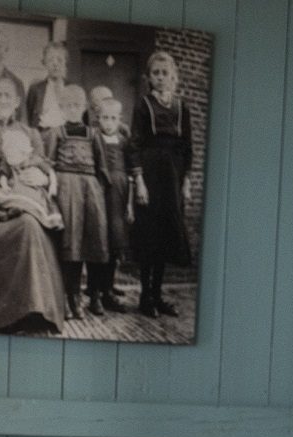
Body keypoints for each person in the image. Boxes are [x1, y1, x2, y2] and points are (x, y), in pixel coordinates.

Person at [0, 114, 69, 335]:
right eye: (8, 150)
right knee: (23, 227)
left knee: (30, 227)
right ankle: (9, 314)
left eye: (18, 150)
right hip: (0, 215)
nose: (13, 154)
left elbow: (48, 176)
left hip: (32, 217)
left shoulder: (35, 169)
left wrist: (47, 180)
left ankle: (37, 311)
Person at [130, 50, 195, 317]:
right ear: (149, 77)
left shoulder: (183, 108)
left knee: (167, 236)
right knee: (150, 237)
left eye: (165, 73)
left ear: (174, 78)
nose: (160, 78)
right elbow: (135, 144)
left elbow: (188, 146)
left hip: (173, 177)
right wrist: (139, 181)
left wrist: (186, 181)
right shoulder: (143, 105)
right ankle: (145, 296)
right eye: (155, 73)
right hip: (152, 176)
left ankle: (158, 294)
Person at [46, 85, 110, 318]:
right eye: (67, 106)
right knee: (69, 242)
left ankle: (88, 296)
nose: (72, 109)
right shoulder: (56, 132)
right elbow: (48, 163)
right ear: (61, 108)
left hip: (90, 191)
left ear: (83, 108)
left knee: (92, 240)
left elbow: (102, 167)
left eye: (76, 105)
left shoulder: (94, 134)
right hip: (66, 190)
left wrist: (99, 193)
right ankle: (68, 296)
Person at [89, 96, 136, 312]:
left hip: (119, 195)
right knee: (99, 242)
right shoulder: (94, 138)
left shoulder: (124, 142)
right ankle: (94, 294)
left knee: (114, 243)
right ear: (98, 119)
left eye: (113, 118)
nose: (108, 122)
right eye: (105, 118)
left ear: (119, 120)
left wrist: (129, 203)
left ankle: (108, 291)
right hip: (101, 192)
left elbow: (131, 171)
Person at [25, 41, 74, 132]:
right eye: (51, 59)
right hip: (42, 136)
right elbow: (28, 117)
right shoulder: (35, 89)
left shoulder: (72, 89)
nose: (55, 64)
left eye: (59, 60)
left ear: (65, 63)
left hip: (66, 136)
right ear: (44, 63)